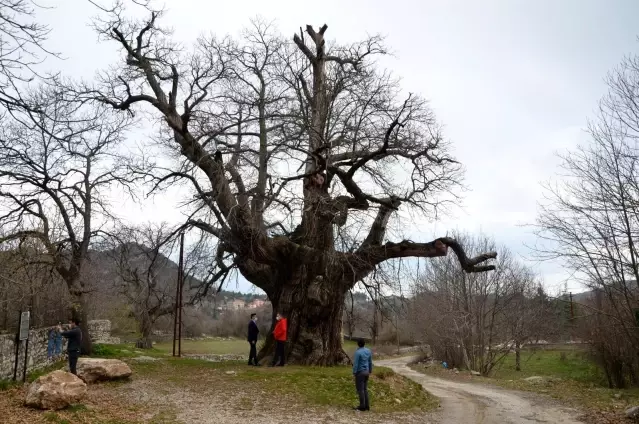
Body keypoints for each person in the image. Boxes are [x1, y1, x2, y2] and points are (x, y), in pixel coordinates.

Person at [352, 338, 373, 411]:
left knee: (360, 390)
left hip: (360, 372)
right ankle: (367, 406)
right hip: (366, 372)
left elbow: (356, 364)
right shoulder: (368, 351)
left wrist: (354, 372)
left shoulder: (358, 352)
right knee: (365, 389)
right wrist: (370, 370)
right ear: (364, 344)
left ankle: (362, 406)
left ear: (358, 344)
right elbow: (370, 362)